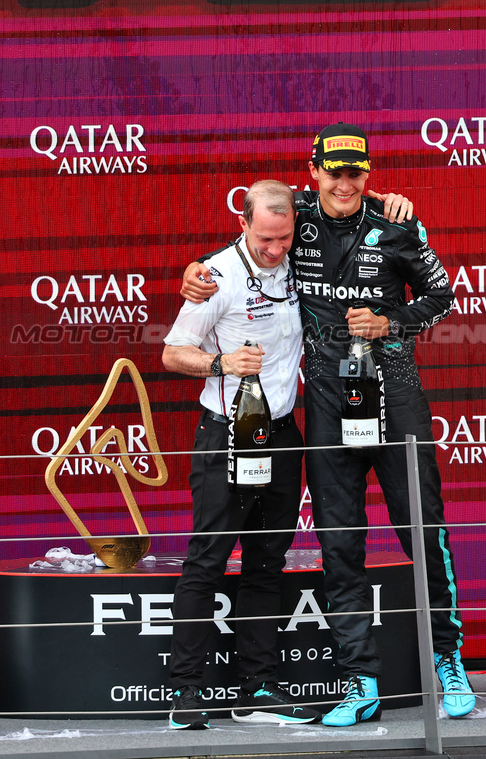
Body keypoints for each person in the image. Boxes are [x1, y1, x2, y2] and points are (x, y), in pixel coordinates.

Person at [182, 124, 474, 726]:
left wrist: (389, 321)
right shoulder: (296, 215)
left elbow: (442, 296)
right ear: (312, 170)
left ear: (369, 173)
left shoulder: (397, 222)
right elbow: (245, 244)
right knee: (340, 545)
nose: (345, 183)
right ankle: (359, 678)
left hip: (396, 400)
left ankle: (448, 659)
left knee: (423, 530)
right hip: (326, 408)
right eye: (333, 171)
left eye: (356, 172)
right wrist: (194, 272)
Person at [161, 180, 318, 729]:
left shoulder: (306, 262)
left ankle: (259, 691)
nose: (276, 248)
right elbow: (172, 352)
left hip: (280, 432)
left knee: (265, 567)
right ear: (244, 223)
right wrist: (220, 364)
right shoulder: (215, 277)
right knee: (206, 561)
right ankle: (185, 694)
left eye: (284, 237)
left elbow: (346, 198)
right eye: (265, 237)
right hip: (225, 433)